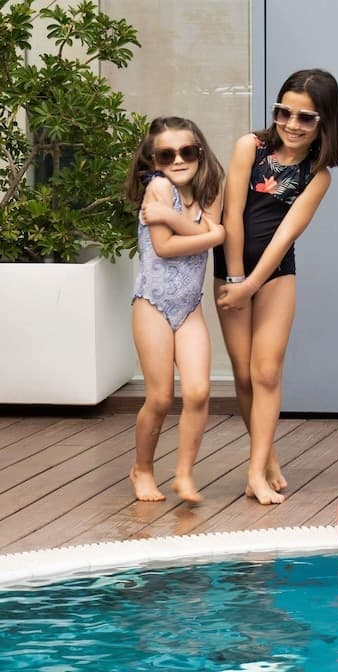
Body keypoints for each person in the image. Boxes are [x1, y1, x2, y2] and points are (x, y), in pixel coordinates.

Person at [213, 68, 338, 505]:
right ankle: (266, 456)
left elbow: (286, 234)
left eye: (305, 117)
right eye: (284, 112)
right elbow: (232, 215)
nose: (292, 124)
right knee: (244, 375)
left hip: (275, 272)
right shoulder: (250, 147)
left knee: (266, 372)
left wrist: (254, 284)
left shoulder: (317, 175)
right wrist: (237, 280)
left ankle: (255, 472)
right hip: (232, 268)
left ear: (324, 122)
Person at [124, 117, 226, 503]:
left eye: (187, 151)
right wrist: (211, 234)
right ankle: (142, 468)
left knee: (199, 391)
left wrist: (174, 219)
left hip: (188, 308)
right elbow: (165, 247)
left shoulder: (211, 187)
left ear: (200, 152)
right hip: (152, 303)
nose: (179, 160)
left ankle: (184, 474)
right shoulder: (159, 188)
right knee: (161, 397)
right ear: (153, 160)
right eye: (167, 155)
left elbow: (213, 233)